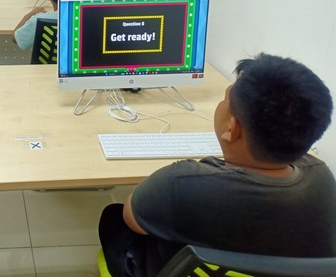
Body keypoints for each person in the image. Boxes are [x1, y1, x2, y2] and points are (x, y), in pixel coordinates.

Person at [99, 53, 336, 277]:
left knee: (114, 217)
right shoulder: (322, 179)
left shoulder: (179, 184)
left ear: (232, 128)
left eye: (225, 99)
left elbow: (132, 217)